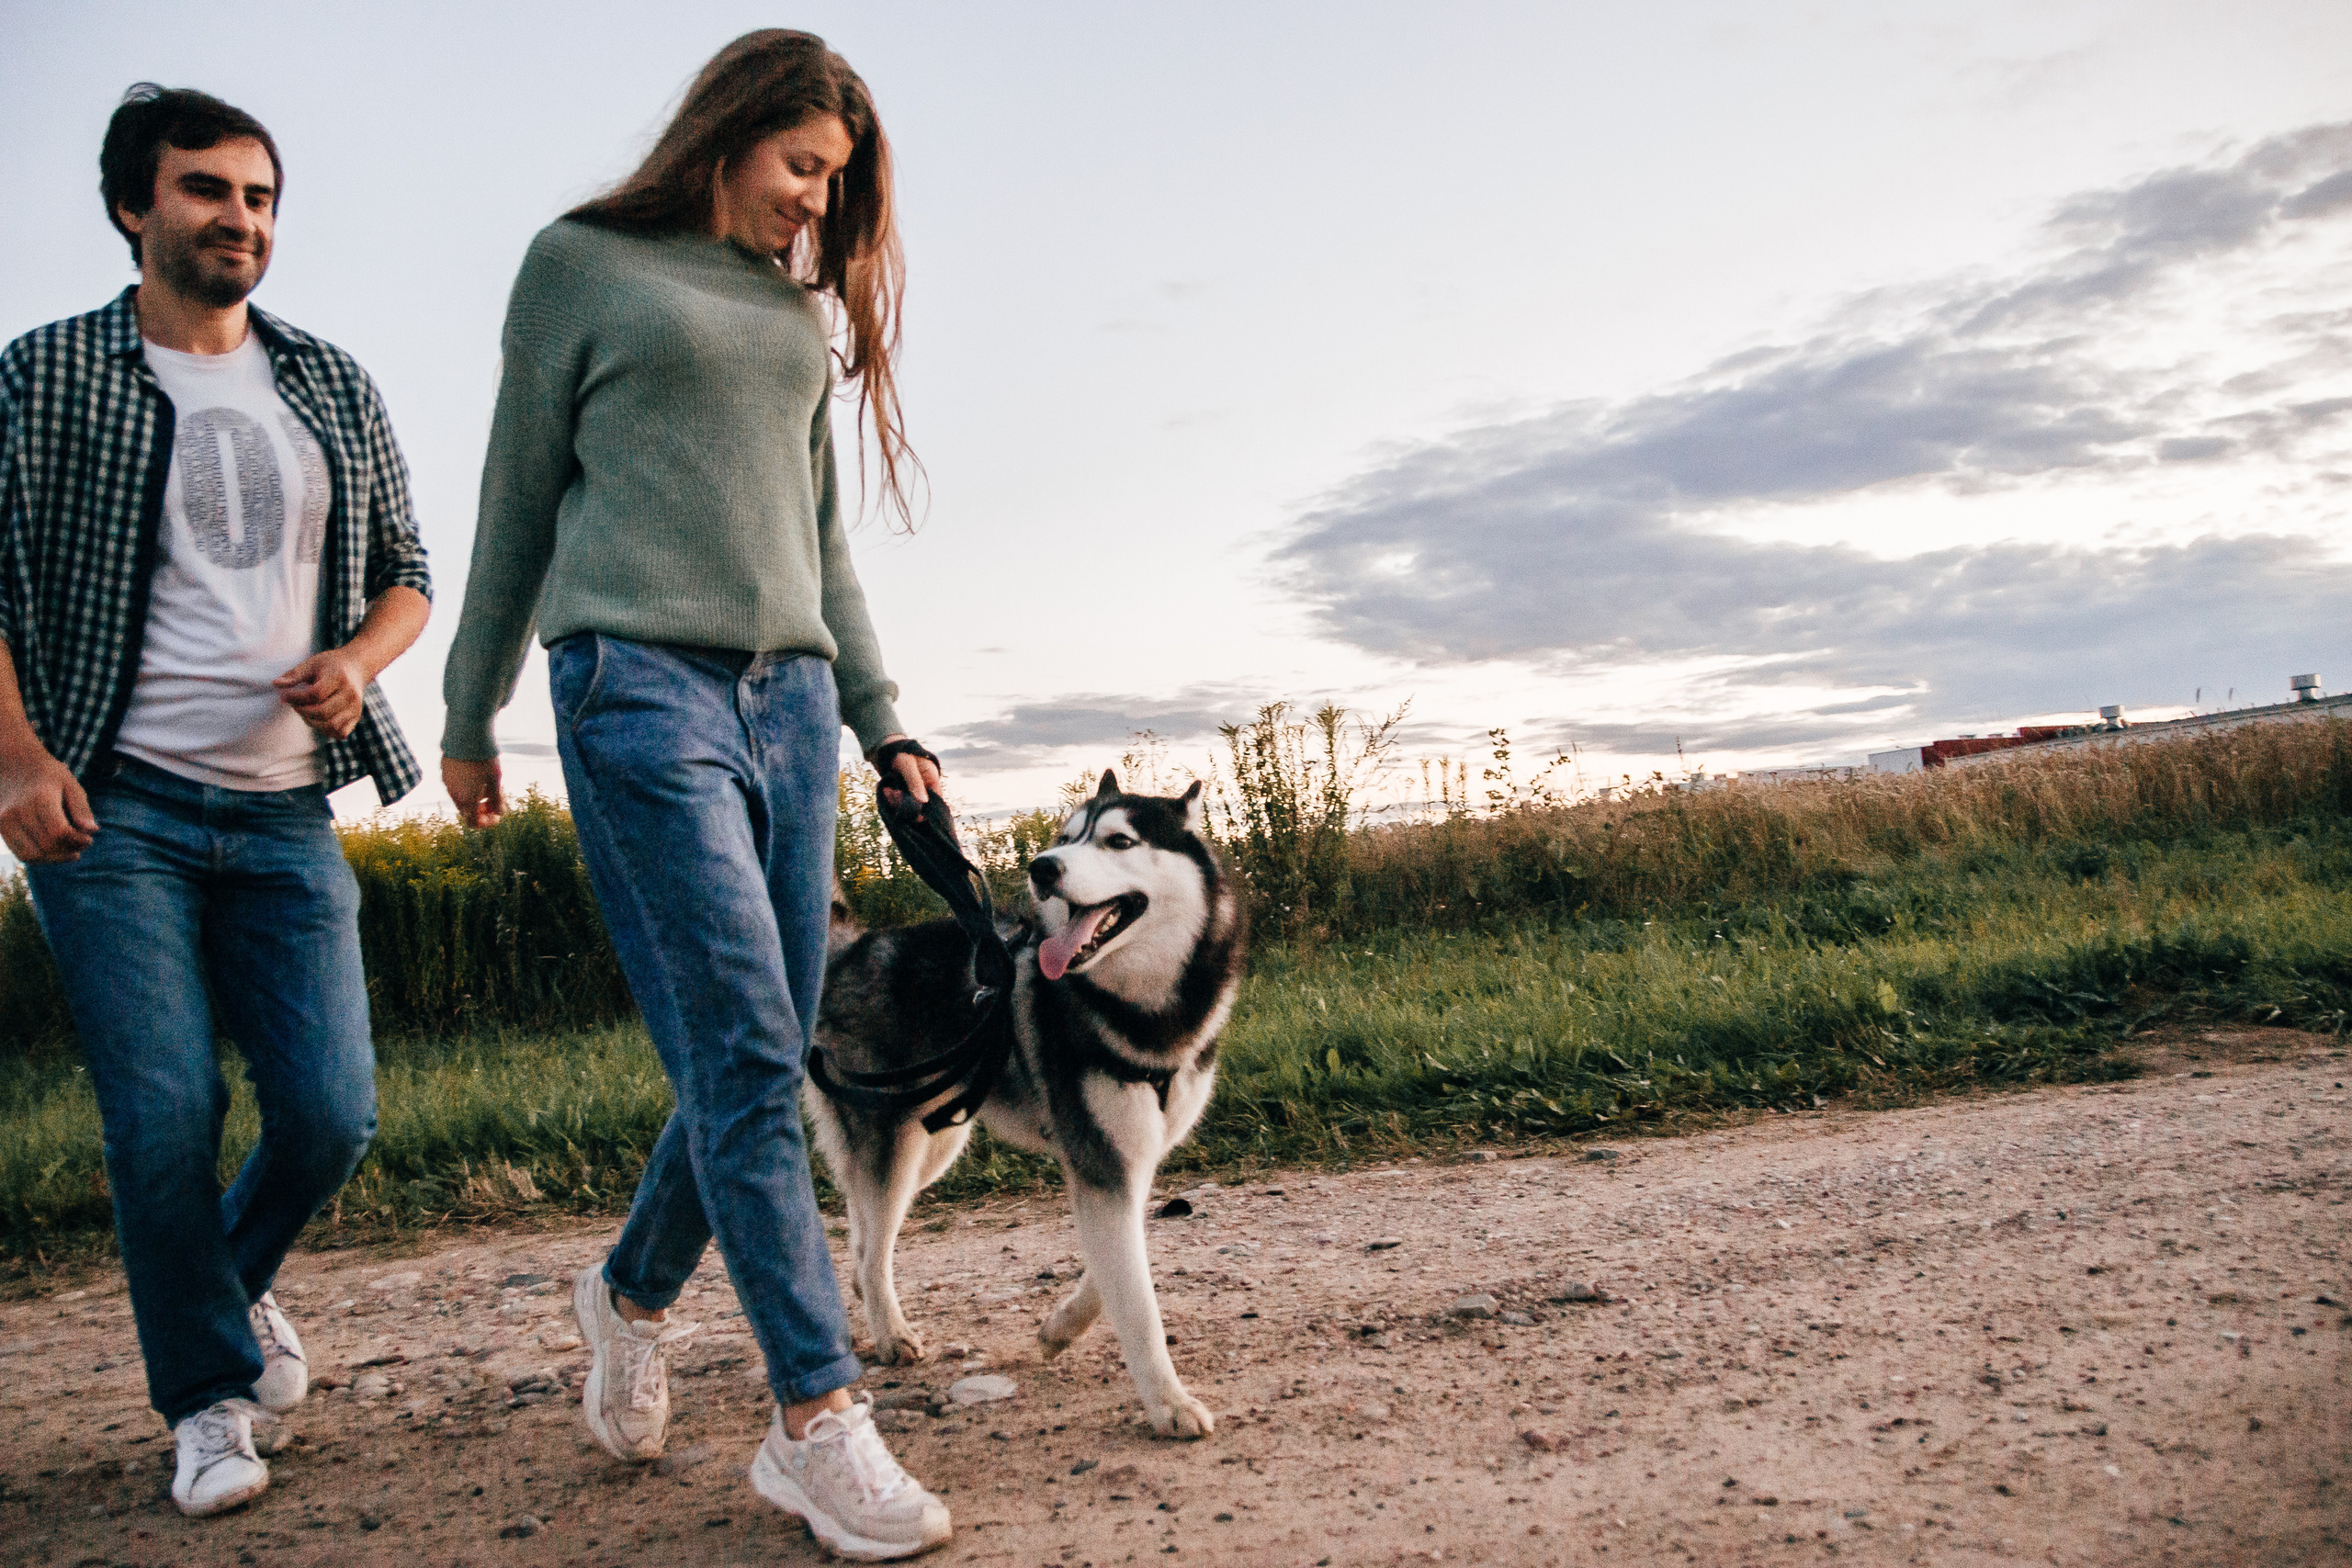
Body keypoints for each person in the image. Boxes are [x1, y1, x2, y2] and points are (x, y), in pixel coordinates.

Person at [440, 30, 951, 1560]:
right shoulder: (580, 265)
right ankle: (816, 1422)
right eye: (803, 165)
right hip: (633, 690)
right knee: (744, 1044)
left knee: (759, 1041)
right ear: (729, 134)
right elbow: (516, 494)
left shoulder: (794, 316)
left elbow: (822, 543)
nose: (815, 203)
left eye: (836, 182)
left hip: (790, 701)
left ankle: (632, 1290)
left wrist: (882, 719)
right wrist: (470, 706)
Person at [0, 85, 433, 1517]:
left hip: (284, 810)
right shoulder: (45, 376)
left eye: (258, 197)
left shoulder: (328, 382)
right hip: (111, 812)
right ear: (136, 209)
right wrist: (12, 758)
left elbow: (407, 573)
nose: (238, 219)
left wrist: (359, 666)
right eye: (206, 191)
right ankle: (206, 1399)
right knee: (163, 1112)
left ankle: (216, 1303)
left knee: (330, 1116)